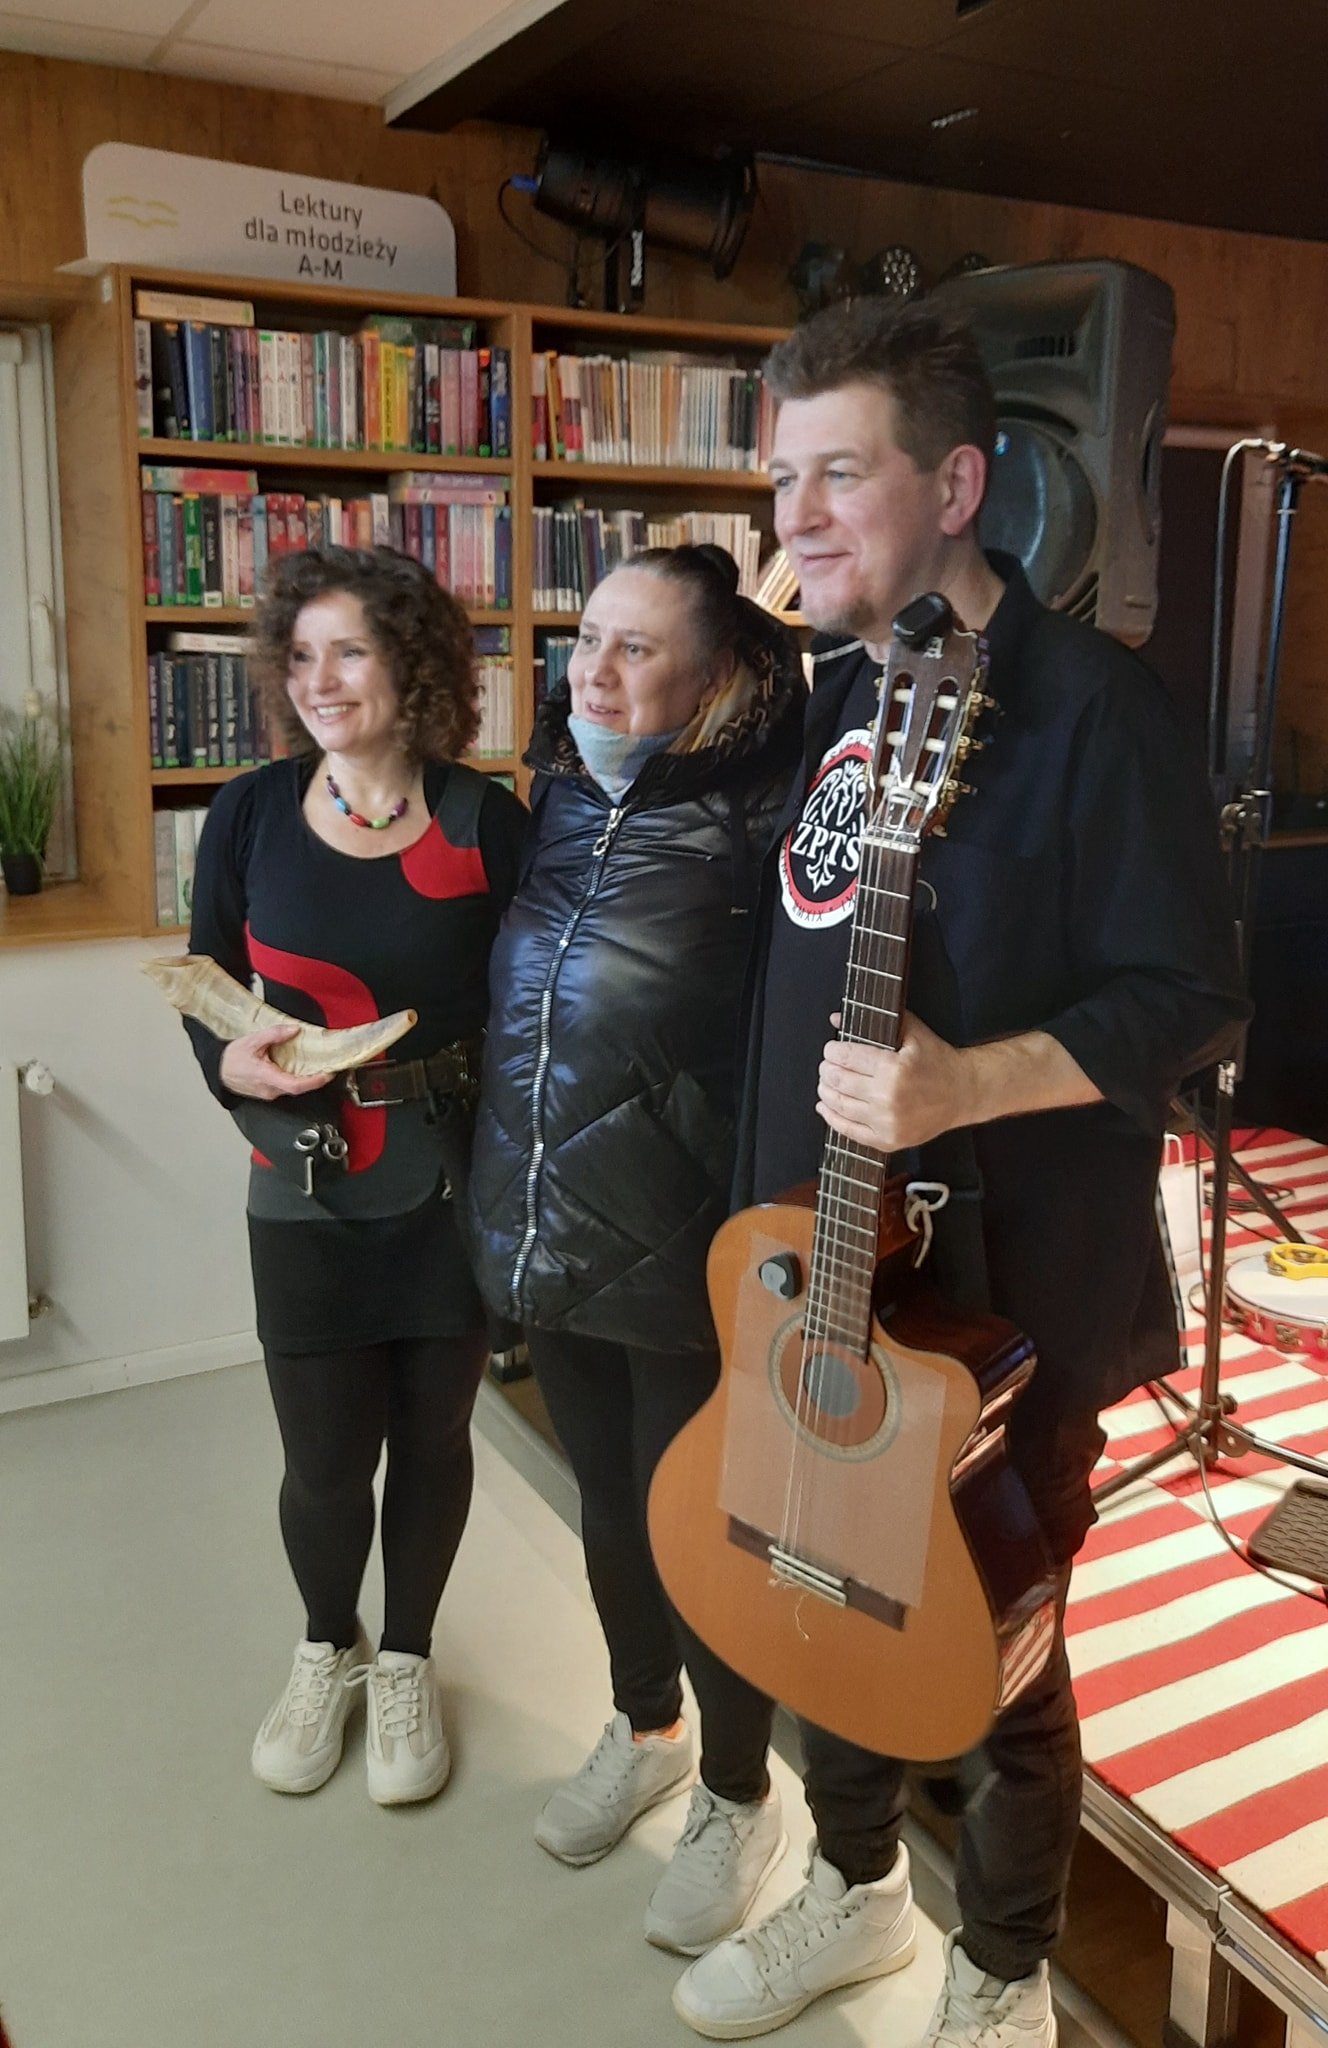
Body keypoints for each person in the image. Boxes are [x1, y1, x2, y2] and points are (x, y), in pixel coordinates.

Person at [669, 301, 1249, 2045]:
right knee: (819, 1585)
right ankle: (853, 1891)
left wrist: (967, 1085)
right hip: (813, 1257)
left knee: (995, 1646)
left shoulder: (1094, 710)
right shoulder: (841, 689)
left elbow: (1190, 995)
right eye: (782, 479)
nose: (795, 517)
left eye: (838, 474)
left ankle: (1001, 1975)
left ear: (959, 486)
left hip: (1011, 1301)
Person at [468, 545, 805, 1953]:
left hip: (679, 1244)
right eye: (585, 638)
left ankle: (739, 1793)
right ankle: (646, 1723)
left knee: (697, 1535)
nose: (590, 673)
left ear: (715, 676)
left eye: (634, 649)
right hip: (549, 1222)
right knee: (607, 1504)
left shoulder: (764, 817)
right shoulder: (555, 796)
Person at [183, 545, 526, 1807]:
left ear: (412, 665)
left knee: (433, 1437)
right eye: (300, 654)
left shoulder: (485, 820)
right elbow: (205, 980)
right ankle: (327, 1644)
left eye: (350, 651)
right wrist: (230, 1066)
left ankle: (409, 1656)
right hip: (303, 1181)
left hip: (446, 1180)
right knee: (324, 1458)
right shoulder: (251, 811)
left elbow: (533, 1007)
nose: (318, 679)